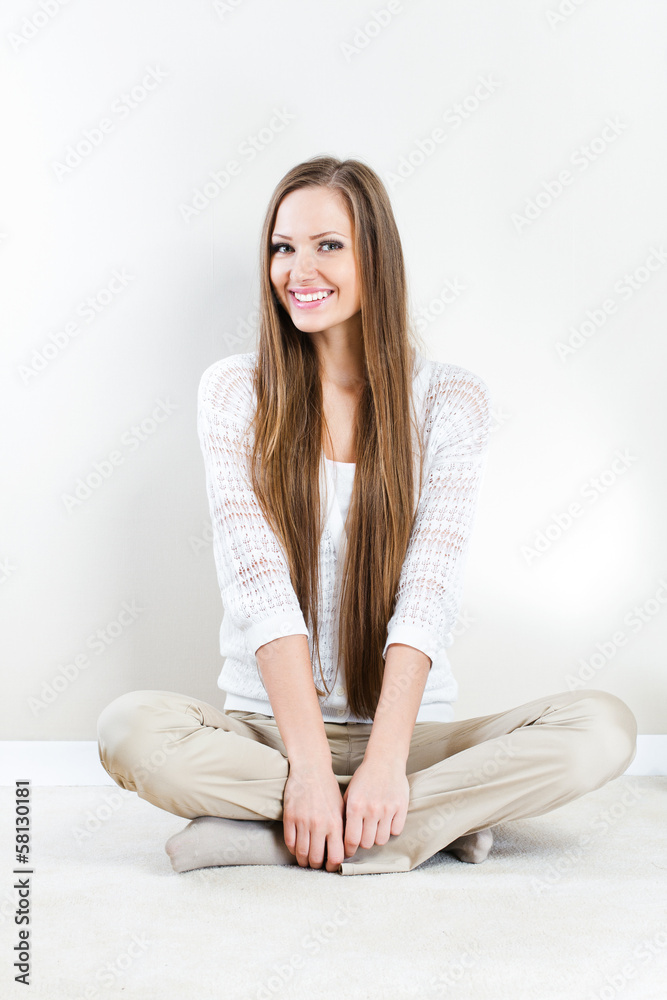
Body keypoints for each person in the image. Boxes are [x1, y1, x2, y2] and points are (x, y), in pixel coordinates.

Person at [96, 156, 638, 877]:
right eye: (282, 248)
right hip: (268, 735)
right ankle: (427, 821)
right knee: (129, 729)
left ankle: (282, 830)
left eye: (328, 245)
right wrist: (311, 771)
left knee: (600, 729)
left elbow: (429, 591)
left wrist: (383, 763)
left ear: (374, 256)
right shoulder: (235, 392)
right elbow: (259, 593)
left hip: (408, 735)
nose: (298, 269)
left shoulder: (450, 401)